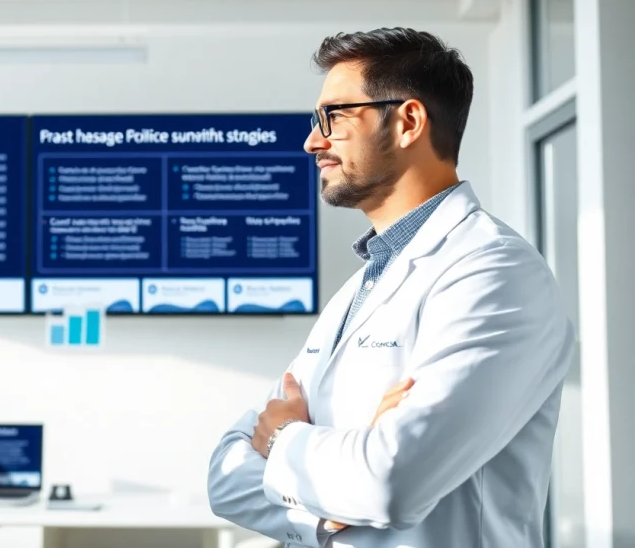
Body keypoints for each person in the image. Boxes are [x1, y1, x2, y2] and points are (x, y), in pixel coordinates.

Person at [207, 27, 576, 548]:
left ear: (408, 122)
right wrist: (328, 510)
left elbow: (390, 483)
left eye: (333, 117)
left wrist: (284, 437)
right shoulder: (361, 285)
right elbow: (225, 474)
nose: (312, 141)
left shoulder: (497, 274)